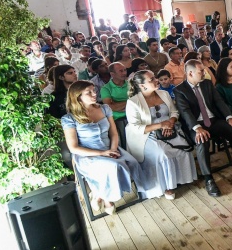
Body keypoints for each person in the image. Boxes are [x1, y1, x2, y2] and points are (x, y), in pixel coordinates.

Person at [62, 81, 143, 215]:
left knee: (132, 162)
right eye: (89, 92)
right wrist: (103, 153)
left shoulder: (104, 108)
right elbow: (73, 148)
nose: (95, 94)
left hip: (109, 147)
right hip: (87, 154)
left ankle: (97, 194)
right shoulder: (69, 118)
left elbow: (113, 133)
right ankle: (107, 199)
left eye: (94, 90)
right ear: (77, 97)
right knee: (112, 166)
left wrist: (113, 149)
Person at [175, 59, 232, 197]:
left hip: (213, 120)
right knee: (201, 141)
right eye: (201, 71)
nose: (204, 73)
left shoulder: (207, 84)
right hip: (196, 125)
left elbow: (219, 101)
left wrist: (229, 118)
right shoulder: (180, 90)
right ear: (191, 73)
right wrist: (197, 128)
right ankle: (208, 178)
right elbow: (185, 112)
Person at [125, 71, 197, 200]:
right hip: (147, 134)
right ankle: (168, 186)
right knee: (163, 153)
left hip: (170, 128)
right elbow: (136, 127)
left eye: (155, 77)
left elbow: (174, 112)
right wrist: (160, 125)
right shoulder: (133, 102)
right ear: (142, 86)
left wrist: (170, 122)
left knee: (184, 148)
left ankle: (181, 178)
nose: (156, 80)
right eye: (151, 79)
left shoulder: (164, 94)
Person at [101, 62, 130, 148]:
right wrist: (130, 102)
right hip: (119, 120)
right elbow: (110, 107)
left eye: (125, 70)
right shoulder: (106, 88)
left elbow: (139, 100)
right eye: (121, 71)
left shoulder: (131, 84)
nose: (124, 73)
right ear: (112, 74)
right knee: (126, 145)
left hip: (134, 116)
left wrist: (118, 104)